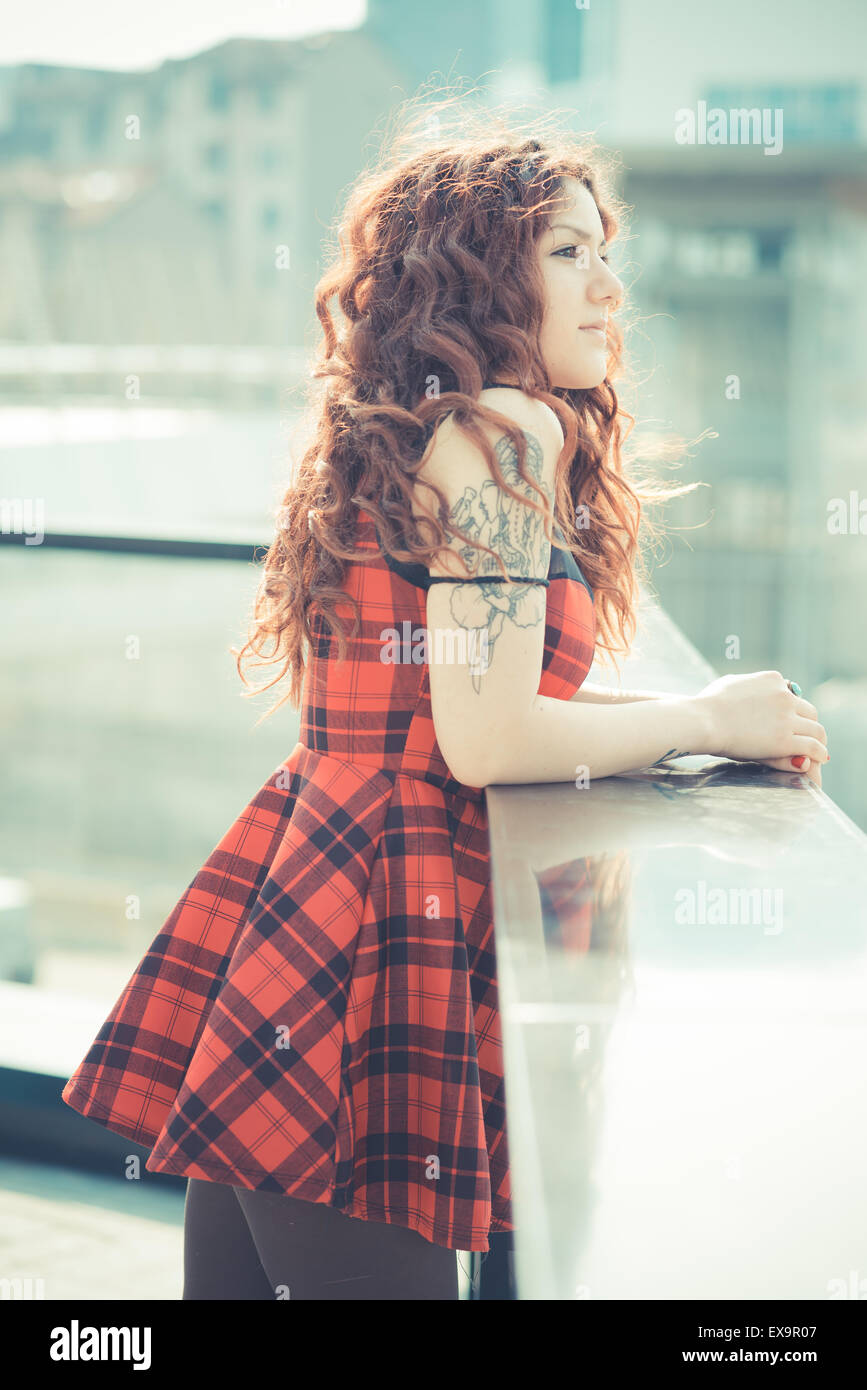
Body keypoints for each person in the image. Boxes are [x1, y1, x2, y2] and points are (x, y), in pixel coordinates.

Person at [61, 103, 829, 1301]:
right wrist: (708, 722)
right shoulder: (505, 437)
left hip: (308, 908)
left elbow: (469, 700)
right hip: (375, 943)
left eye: (605, 249)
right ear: (479, 270)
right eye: (569, 251)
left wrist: (694, 707)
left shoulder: (420, 432)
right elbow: (489, 738)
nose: (609, 286)